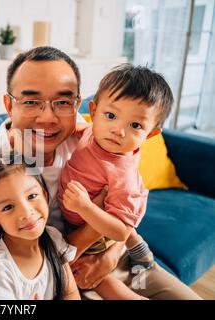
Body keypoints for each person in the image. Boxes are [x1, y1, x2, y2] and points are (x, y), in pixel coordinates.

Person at [0, 46, 201, 299]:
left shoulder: (90, 134)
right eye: (31, 102)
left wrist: (111, 253)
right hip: (72, 275)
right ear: (9, 105)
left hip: (120, 255)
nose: (48, 117)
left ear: (78, 106)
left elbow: (124, 200)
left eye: (62, 102)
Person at [58, 64, 172, 299]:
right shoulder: (94, 132)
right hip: (82, 223)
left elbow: (120, 231)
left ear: (150, 134)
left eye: (135, 126)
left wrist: (86, 207)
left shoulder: (122, 175)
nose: (118, 131)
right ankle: (140, 253)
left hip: (98, 230)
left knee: (94, 278)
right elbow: (83, 129)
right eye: (111, 115)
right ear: (94, 110)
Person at [0, 154, 80, 300]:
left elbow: (70, 293)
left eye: (32, 196)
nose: (26, 213)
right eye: (8, 207)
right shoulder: (1, 272)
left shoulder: (53, 237)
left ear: (44, 194)